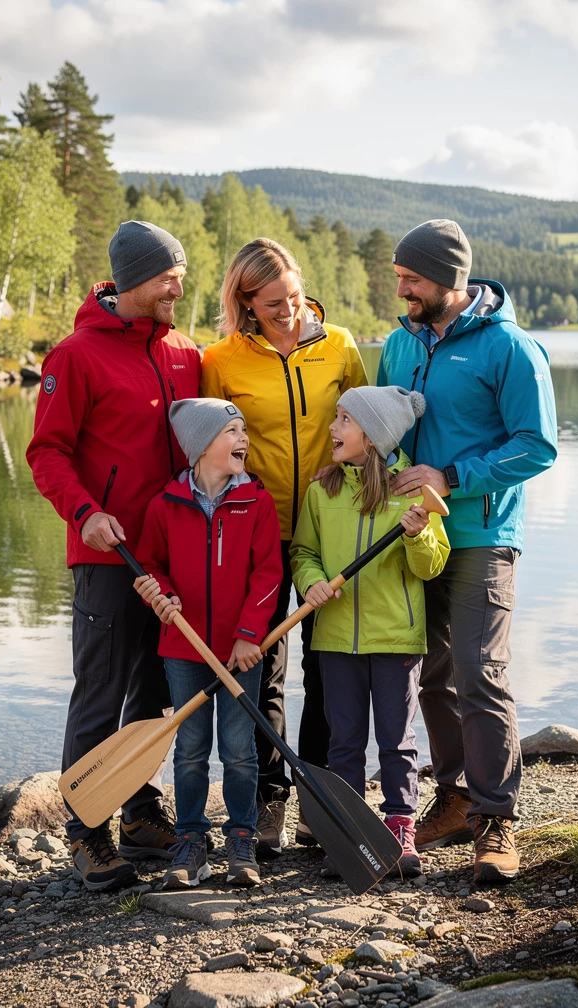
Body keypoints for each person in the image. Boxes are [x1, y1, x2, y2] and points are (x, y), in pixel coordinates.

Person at [377, 219, 557, 883]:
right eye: (399, 276)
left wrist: (451, 477)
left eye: (412, 278)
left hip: (484, 534)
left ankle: (497, 817)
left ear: (451, 280)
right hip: (419, 535)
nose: (401, 288)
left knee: (482, 670)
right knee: (433, 673)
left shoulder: (509, 349)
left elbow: (537, 445)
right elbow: (385, 429)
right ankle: (452, 798)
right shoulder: (400, 344)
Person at [26, 221, 201, 890]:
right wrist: (83, 512)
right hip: (107, 557)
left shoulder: (186, 352)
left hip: (170, 555)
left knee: (156, 690)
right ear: (130, 282)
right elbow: (47, 452)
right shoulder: (75, 356)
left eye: (181, 275)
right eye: (166, 277)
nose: (178, 287)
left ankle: (139, 811)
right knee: (101, 691)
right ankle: (86, 833)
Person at [201, 238, 368, 855]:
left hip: (332, 528)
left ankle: (319, 799)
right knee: (261, 667)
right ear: (245, 302)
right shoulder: (220, 360)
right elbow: (210, 450)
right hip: (255, 533)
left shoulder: (341, 346)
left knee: (328, 669)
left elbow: (365, 433)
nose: (289, 312)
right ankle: (268, 800)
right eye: (272, 304)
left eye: (295, 297)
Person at [291, 385, 450, 879]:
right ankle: (347, 829)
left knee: (396, 740)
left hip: (396, 639)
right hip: (336, 637)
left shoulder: (413, 494)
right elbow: (303, 553)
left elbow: (431, 568)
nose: (333, 428)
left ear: (374, 435)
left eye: (344, 419)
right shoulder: (323, 490)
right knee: (344, 740)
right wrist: (314, 584)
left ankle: (399, 825)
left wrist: (419, 533)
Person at [134, 398, 283, 888]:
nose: (243, 439)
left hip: (241, 653)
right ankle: (192, 840)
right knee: (191, 748)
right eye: (232, 431)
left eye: (244, 430)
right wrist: (160, 593)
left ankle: (241, 837)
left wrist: (248, 635)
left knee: (240, 749)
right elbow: (150, 563)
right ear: (200, 445)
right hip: (184, 648)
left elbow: (268, 574)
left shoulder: (256, 501)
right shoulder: (165, 504)